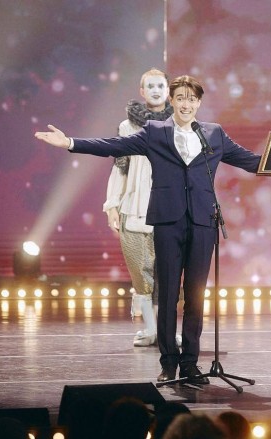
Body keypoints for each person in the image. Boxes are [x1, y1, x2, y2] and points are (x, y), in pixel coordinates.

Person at [35, 75, 262, 386]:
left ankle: (190, 363)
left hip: (202, 222)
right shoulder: (155, 131)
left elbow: (252, 161)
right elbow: (114, 145)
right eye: (180, 98)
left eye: (191, 99)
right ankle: (168, 362)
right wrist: (70, 143)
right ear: (172, 100)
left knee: (196, 295)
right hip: (168, 221)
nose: (185, 104)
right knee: (167, 294)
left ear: (198, 102)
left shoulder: (213, 133)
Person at [103, 68, 173, 347]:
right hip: (134, 209)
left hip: (169, 211)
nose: (156, 91)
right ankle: (151, 330)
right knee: (140, 274)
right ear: (142, 91)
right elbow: (120, 168)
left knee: (167, 275)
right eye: (150, 86)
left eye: (160, 86)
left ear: (168, 91)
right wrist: (111, 205)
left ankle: (166, 331)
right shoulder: (127, 127)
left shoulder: (179, 125)